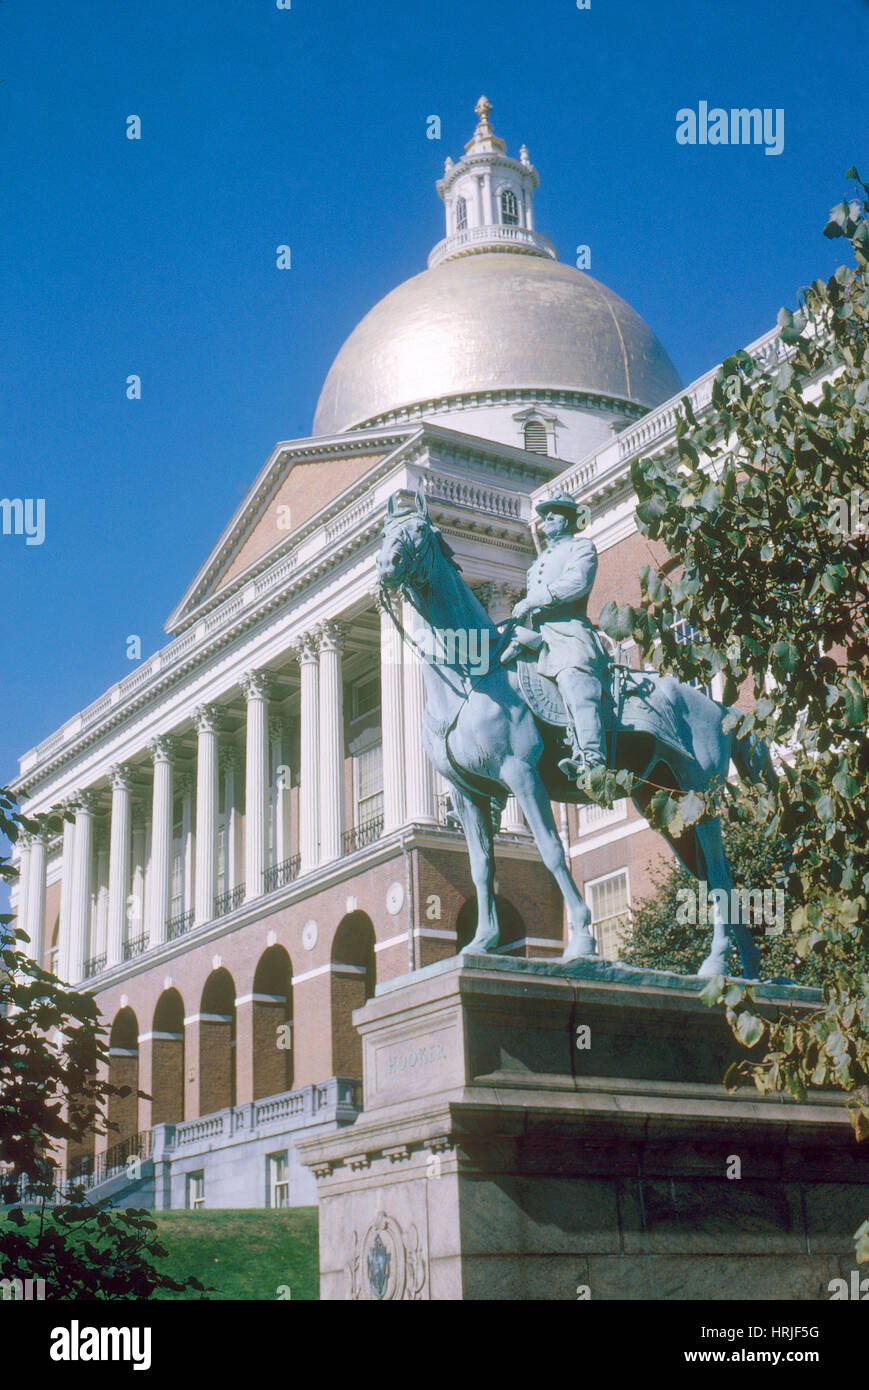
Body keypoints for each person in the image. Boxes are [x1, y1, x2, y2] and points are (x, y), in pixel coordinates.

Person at [508, 491, 612, 794]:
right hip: (540, 636)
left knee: (573, 681)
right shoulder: (541, 559)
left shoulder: (581, 547)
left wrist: (533, 600)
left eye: (555, 513)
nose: (547, 518)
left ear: (569, 519)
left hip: (569, 634)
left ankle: (593, 760)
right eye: (546, 513)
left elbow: (577, 583)